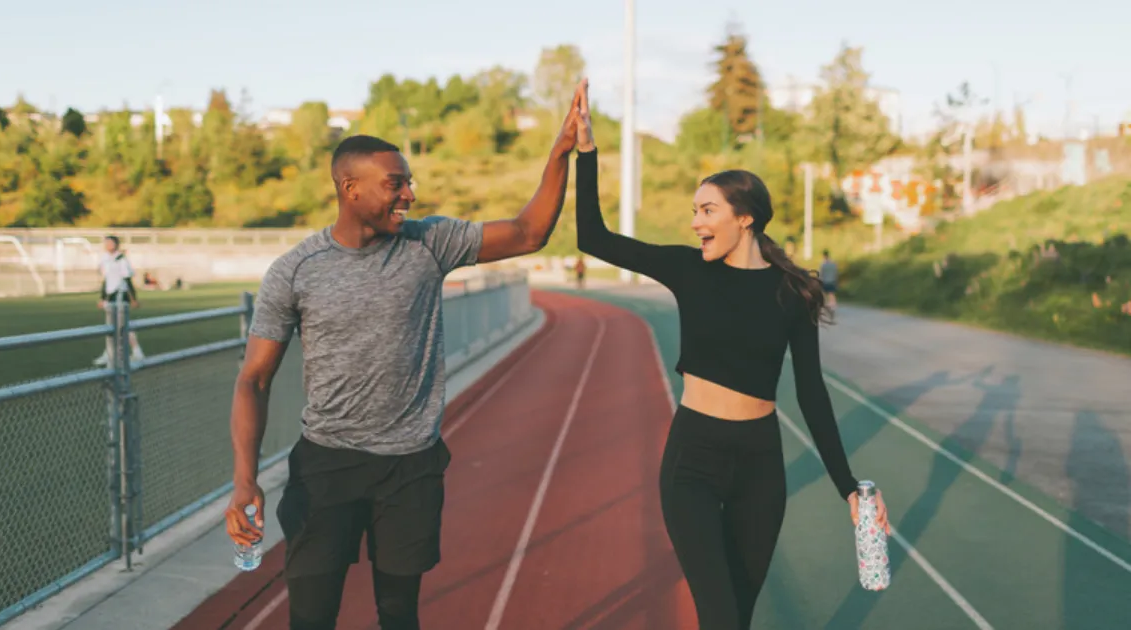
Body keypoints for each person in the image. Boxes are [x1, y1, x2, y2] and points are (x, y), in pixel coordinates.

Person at [224, 80, 587, 630]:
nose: (409, 196)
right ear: (350, 188)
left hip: (411, 467)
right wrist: (244, 479)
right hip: (327, 466)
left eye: (409, 183)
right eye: (395, 184)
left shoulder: (429, 244)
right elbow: (253, 379)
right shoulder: (295, 271)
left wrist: (560, 152)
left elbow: (528, 232)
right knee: (311, 617)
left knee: (399, 616)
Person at [571, 87, 888, 629]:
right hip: (693, 458)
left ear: (745, 218)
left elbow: (811, 394)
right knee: (719, 616)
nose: (695, 222)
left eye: (707, 210)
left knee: (736, 618)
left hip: (761, 465)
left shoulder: (795, 292)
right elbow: (592, 236)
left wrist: (847, 488)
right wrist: (587, 152)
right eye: (695, 210)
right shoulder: (689, 269)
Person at [93, 235, 146, 365]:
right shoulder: (105, 259)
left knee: (122, 325)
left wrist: (133, 298)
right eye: (106, 243)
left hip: (120, 295)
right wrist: (102, 298)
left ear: (116, 244)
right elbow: (106, 281)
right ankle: (110, 354)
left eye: (110, 243)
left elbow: (127, 279)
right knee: (111, 326)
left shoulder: (121, 259)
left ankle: (136, 352)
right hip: (110, 296)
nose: (108, 245)